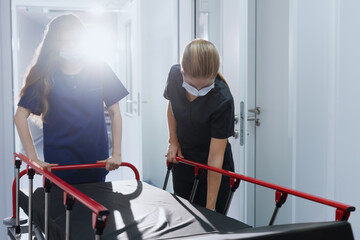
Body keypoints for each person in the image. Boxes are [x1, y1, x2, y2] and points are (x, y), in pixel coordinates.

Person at [14, 14, 128, 184]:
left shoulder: (99, 68)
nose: (71, 46)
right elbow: (20, 116)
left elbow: (114, 112)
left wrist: (117, 153)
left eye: (76, 41)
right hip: (59, 164)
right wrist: (33, 158)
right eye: (64, 42)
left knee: (97, 206)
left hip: (95, 160)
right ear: (54, 44)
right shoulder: (45, 75)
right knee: (61, 208)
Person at [164, 39, 235, 213]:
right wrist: (173, 141)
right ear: (182, 71)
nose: (197, 90)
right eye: (192, 85)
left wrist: (211, 208)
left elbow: (215, 160)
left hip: (213, 171)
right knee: (183, 217)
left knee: (209, 225)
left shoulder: (222, 100)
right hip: (184, 162)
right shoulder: (175, 76)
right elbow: (172, 108)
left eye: (204, 86)